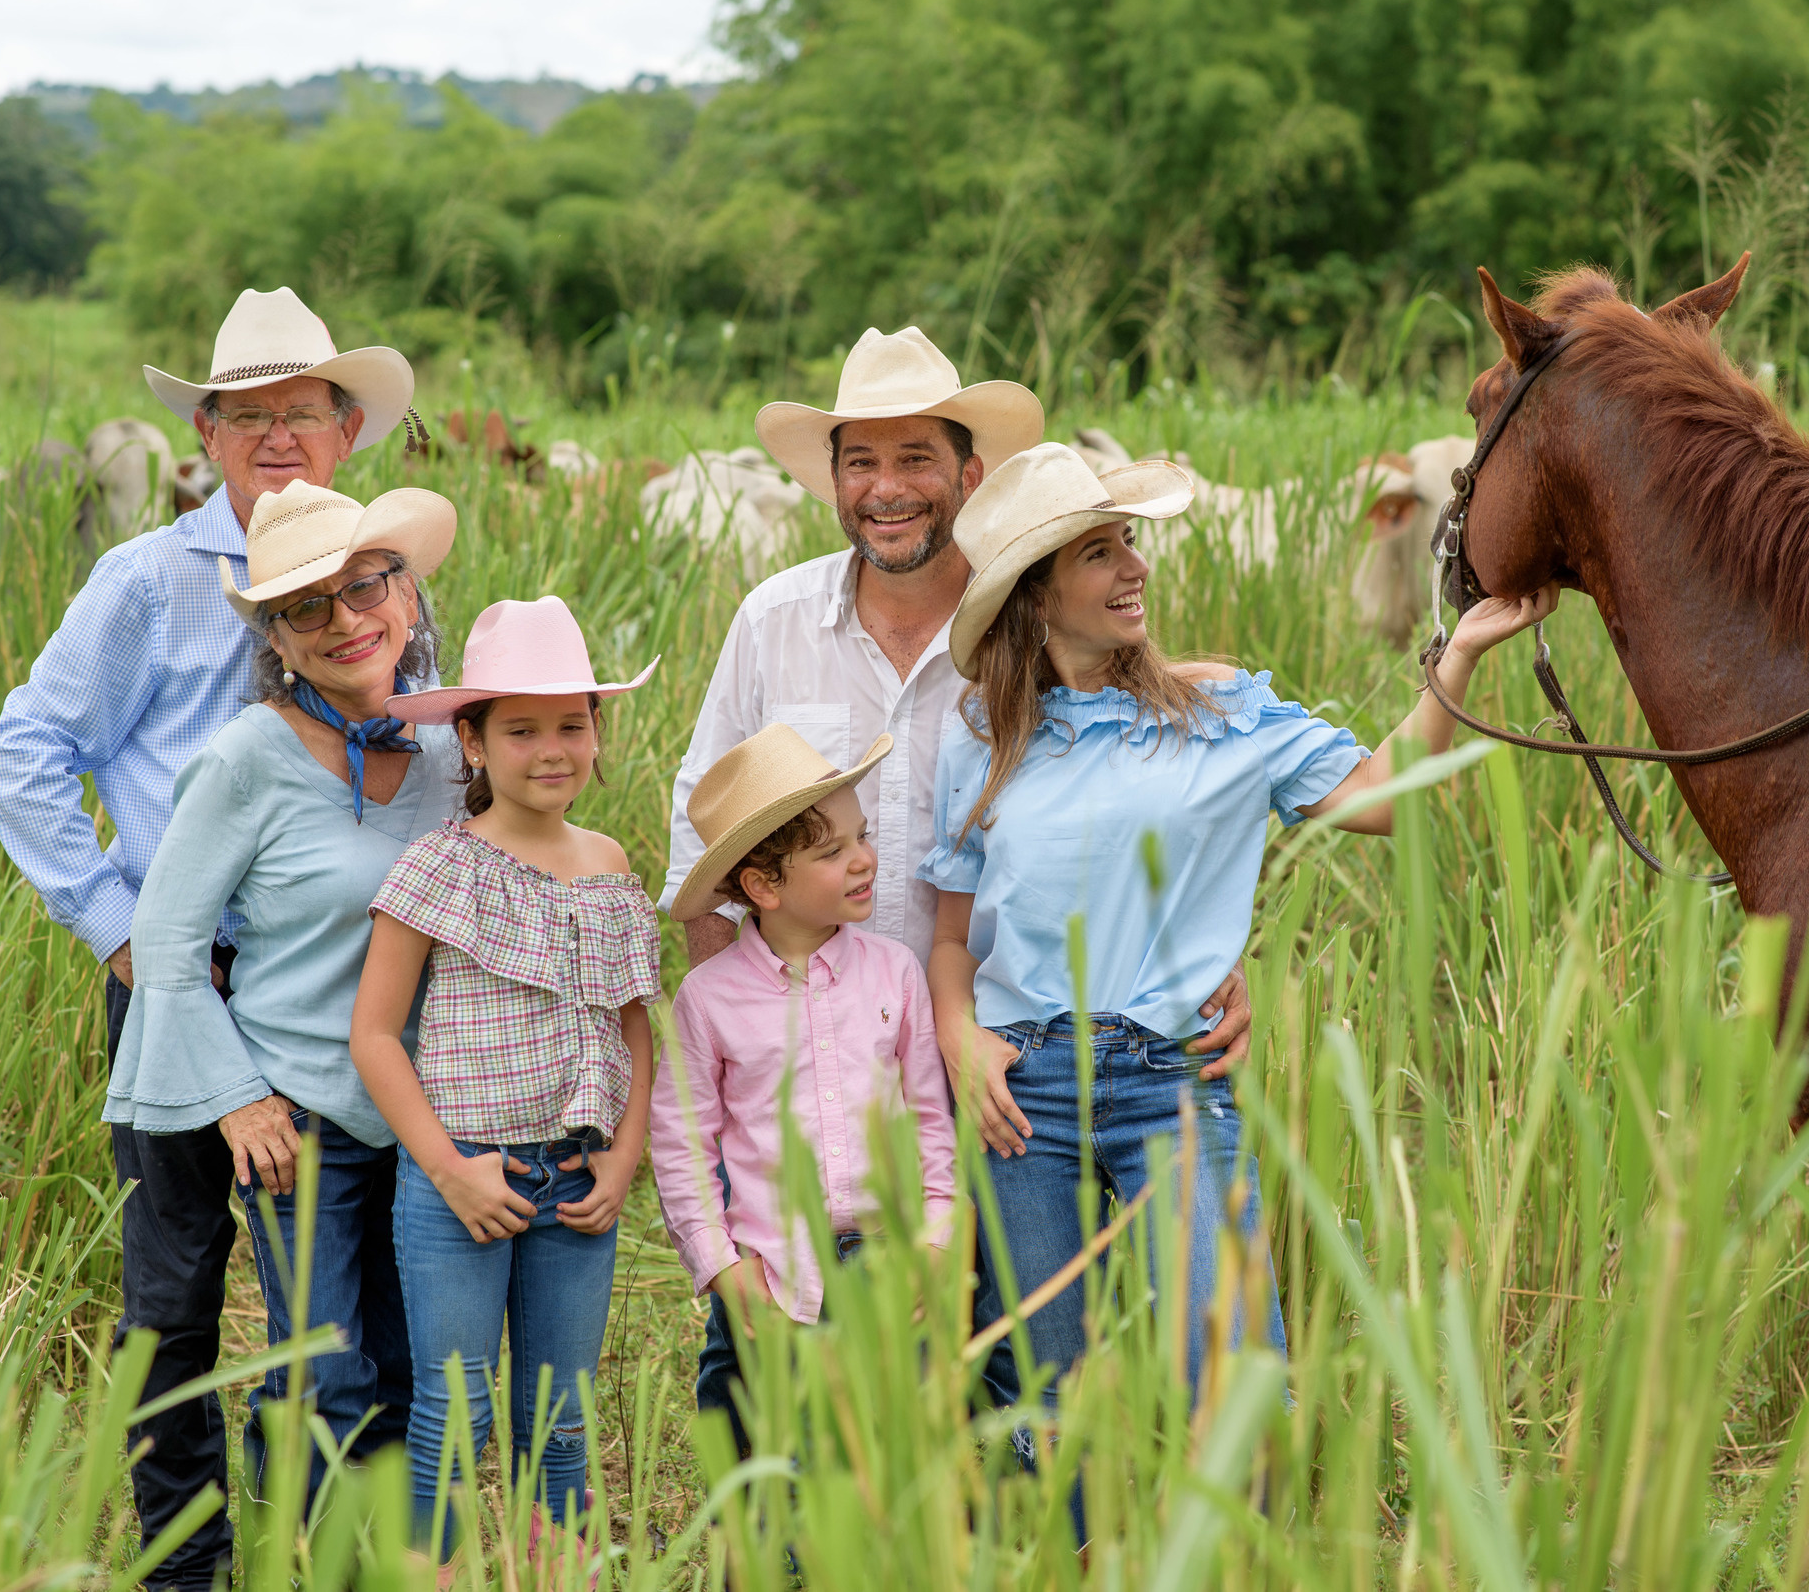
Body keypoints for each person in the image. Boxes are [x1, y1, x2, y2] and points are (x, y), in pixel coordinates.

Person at [917, 444, 1555, 1458]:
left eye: (1128, 543)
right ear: (1036, 598)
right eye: (1098, 552)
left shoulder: (1216, 714)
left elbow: (1382, 797)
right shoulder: (980, 737)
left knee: (1235, 1373)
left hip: (1166, 1073)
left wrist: (1460, 657)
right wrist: (959, 1036)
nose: (1133, 567)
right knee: (1049, 1396)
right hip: (1020, 1089)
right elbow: (952, 934)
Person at [0, 286, 416, 1587]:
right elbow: (26, 753)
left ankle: (326, 1551)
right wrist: (120, 930)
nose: (277, 436)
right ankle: (187, 1560)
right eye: (248, 417)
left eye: (302, 412)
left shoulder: (382, 578)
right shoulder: (147, 580)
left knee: (330, 1294)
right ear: (210, 437)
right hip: (176, 974)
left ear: (347, 431)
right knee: (172, 1291)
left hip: (333, 989)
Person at [108, 480, 465, 1507]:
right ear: (274, 635)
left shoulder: (453, 748)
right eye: (306, 605)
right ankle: (304, 1549)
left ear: (407, 593)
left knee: (409, 1368)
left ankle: (371, 1553)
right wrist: (235, 1096)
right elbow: (167, 942)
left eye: (365, 587)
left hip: (430, 1111)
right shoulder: (246, 757)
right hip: (303, 1109)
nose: (346, 621)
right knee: (328, 1366)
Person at [346, 598, 662, 1565]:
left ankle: (553, 1572)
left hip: (576, 1179)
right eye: (520, 729)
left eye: (572, 724)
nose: (552, 749)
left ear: (597, 733)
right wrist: (446, 1169)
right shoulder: (444, 863)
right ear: (473, 744)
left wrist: (625, 1157)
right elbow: (375, 1036)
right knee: (456, 1406)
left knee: (562, 1414)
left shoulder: (607, 865)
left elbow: (634, 1032)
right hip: (463, 1180)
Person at [652, 723, 959, 1461]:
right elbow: (682, 1142)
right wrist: (720, 1263)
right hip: (771, 1274)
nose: (864, 860)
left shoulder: (895, 973)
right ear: (763, 885)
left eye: (862, 835)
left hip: (888, 1261)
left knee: (880, 1464)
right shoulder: (708, 998)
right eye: (832, 851)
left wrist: (938, 1232)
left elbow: (928, 1116)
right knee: (765, 1467)